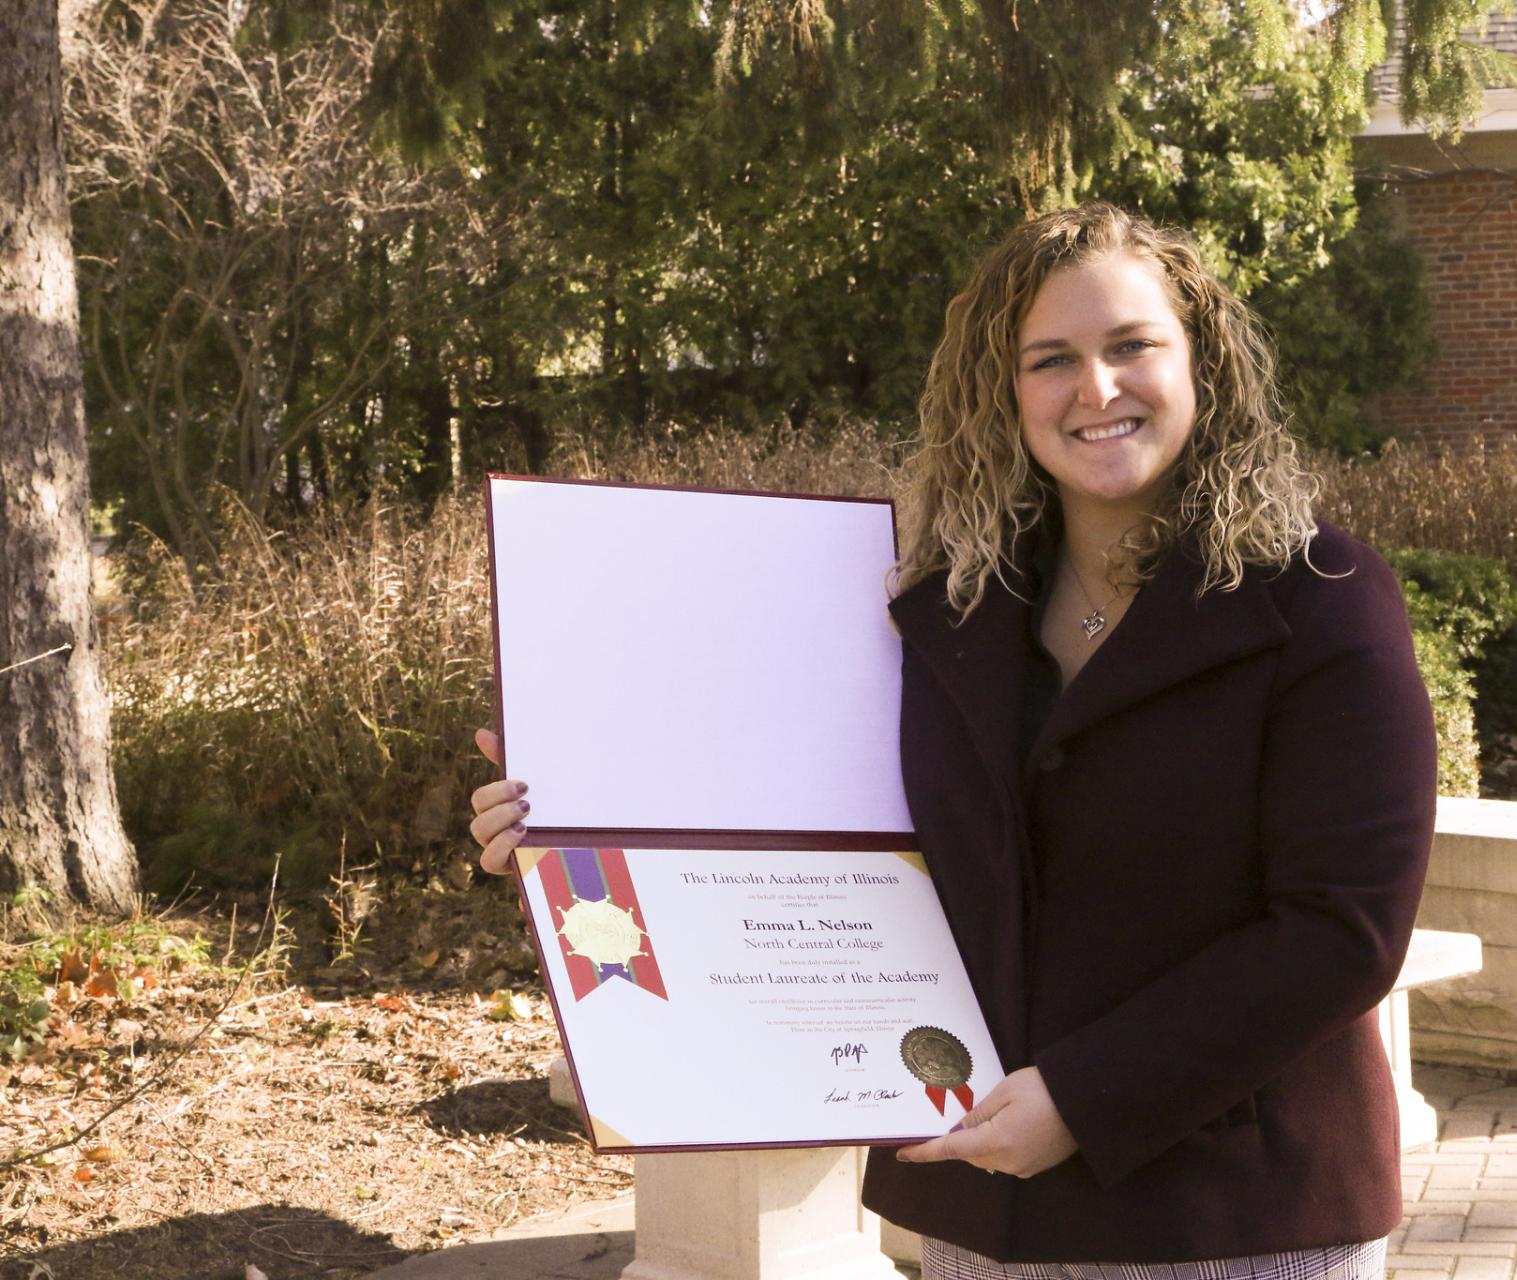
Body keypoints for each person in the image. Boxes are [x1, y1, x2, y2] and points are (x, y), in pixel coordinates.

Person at [468, 202, 1436, 1280]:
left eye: (1131, 346)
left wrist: (1082, 1096)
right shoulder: (943, 611)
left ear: (1203, 364)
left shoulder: (1321, 600)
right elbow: (799, 824)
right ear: (1004, 391)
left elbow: (1343, 927)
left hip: (1237, 1214)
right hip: (984, 1201)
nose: (1096, 388)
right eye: (1052, 358)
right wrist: (578, 819)